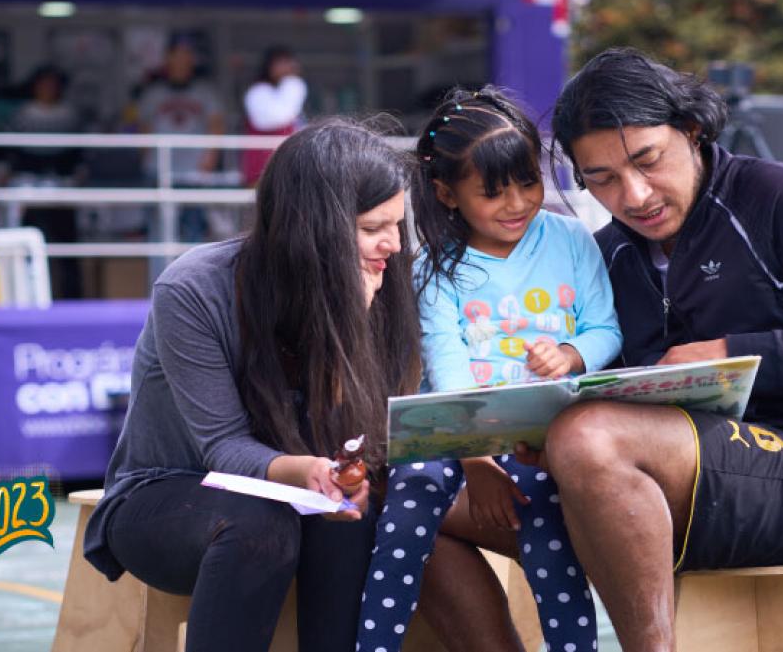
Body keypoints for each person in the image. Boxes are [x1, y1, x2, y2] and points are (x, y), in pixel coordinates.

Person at [416, 48, 783, 651]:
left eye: (648, 160)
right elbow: (605, 391)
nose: (635, 194)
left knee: (590, 437)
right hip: (655, 483)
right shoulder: (607, 252)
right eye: (602, 179)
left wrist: (732, 353)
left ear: (691, 131)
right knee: (412, 500)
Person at [81, 118, 422, 652]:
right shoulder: (195, 289)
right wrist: (308, 469)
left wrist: (347, 332)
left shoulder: (381, 278)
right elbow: (223, 449)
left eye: (397, 225)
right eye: (375, 226)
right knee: (262, 523)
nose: (394, 245)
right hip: (172, 490)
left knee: (351, 519)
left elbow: (358, 438)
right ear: (314, 228)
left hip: (304, 491)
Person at [357, 87, 620, 652]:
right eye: (493, 192)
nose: (517, 202)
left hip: (538, 433)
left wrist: (572, 355)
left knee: (547, 529)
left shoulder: (572, 238)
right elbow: (447, 371)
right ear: (447, 193)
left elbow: (605, 329)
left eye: (528, 181)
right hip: (453, 431)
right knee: (406, 508)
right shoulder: (431, 266)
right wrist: (475, 458)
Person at [135, 33, 228, 243]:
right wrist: (145, 159)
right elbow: (144, 130)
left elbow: (216, 124)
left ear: (193, 59)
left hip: (193, 170)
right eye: (177, 55)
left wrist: (210, 157)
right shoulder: (154, 92)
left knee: (193, 231)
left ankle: (190, 277)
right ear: (167, 58)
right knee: (158, 233)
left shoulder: (205, 91)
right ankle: (158, 275)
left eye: (187, 55)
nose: (182, 60)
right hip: (158, 169)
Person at [6, 64, 85, 298]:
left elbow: (79, 153)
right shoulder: (22, 114)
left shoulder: (70, 115)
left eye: (53, 83)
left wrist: (78, 174)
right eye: (43, 83)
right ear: (34, 86)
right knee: (31, 247)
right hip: (30, 189)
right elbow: (9, 152)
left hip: (63, 188)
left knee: (67, 249)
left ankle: (73, 300)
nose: (48, 89)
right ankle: (30, 298)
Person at [241, 46, 308, 187]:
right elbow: (278, 118)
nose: (287, 68)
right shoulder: (258, 92)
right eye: (281, 63)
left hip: (289, 168)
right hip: (262, 170)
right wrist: (293, 83)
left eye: (289, 63)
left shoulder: (288, 92)